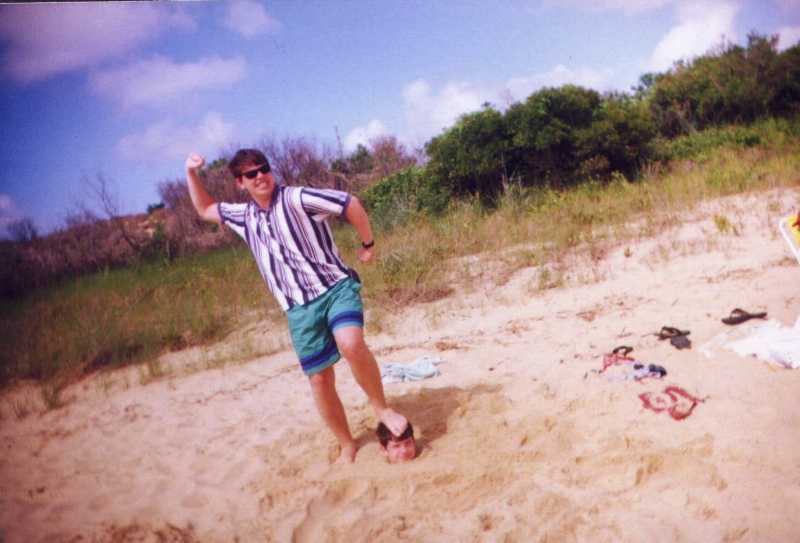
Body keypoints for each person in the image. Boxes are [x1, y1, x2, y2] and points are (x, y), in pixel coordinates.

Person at [185, 149, 409, 463]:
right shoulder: (243, 217)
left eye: (264, 168)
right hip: (298, 308)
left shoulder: (297, 198)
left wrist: (368, 244)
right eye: (251, 174)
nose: (260, 176)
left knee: (351, 343)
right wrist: (191, 173)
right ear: (240, 183)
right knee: (319, 379)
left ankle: (381, 408)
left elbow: (349, 203)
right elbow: (205, 208)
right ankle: (346, 444)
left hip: (335, 288)